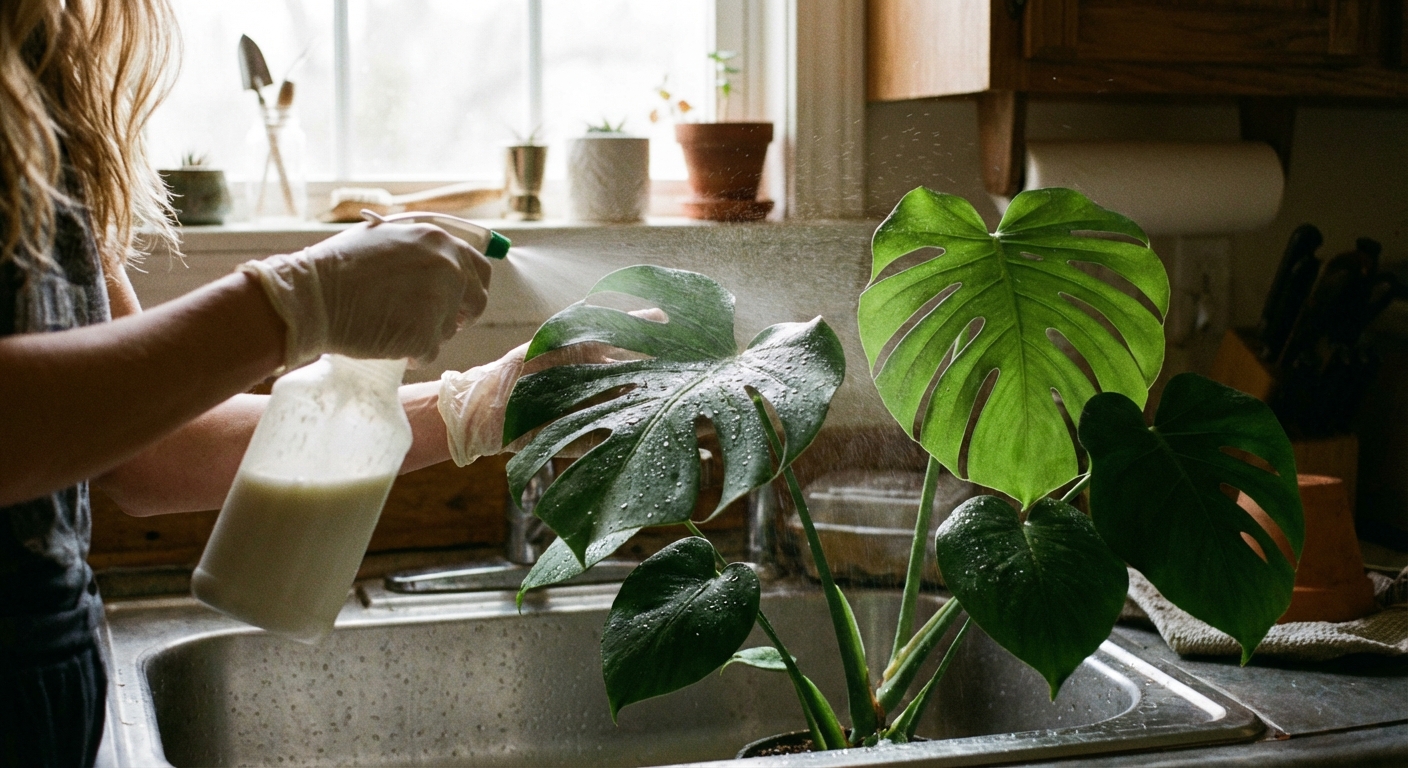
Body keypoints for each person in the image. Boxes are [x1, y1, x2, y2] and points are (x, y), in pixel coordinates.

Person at [0, 2, 534, 765]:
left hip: (48, 666)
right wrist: (295, 298)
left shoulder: (44, 64)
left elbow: (147, 450)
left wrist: (480, 406)